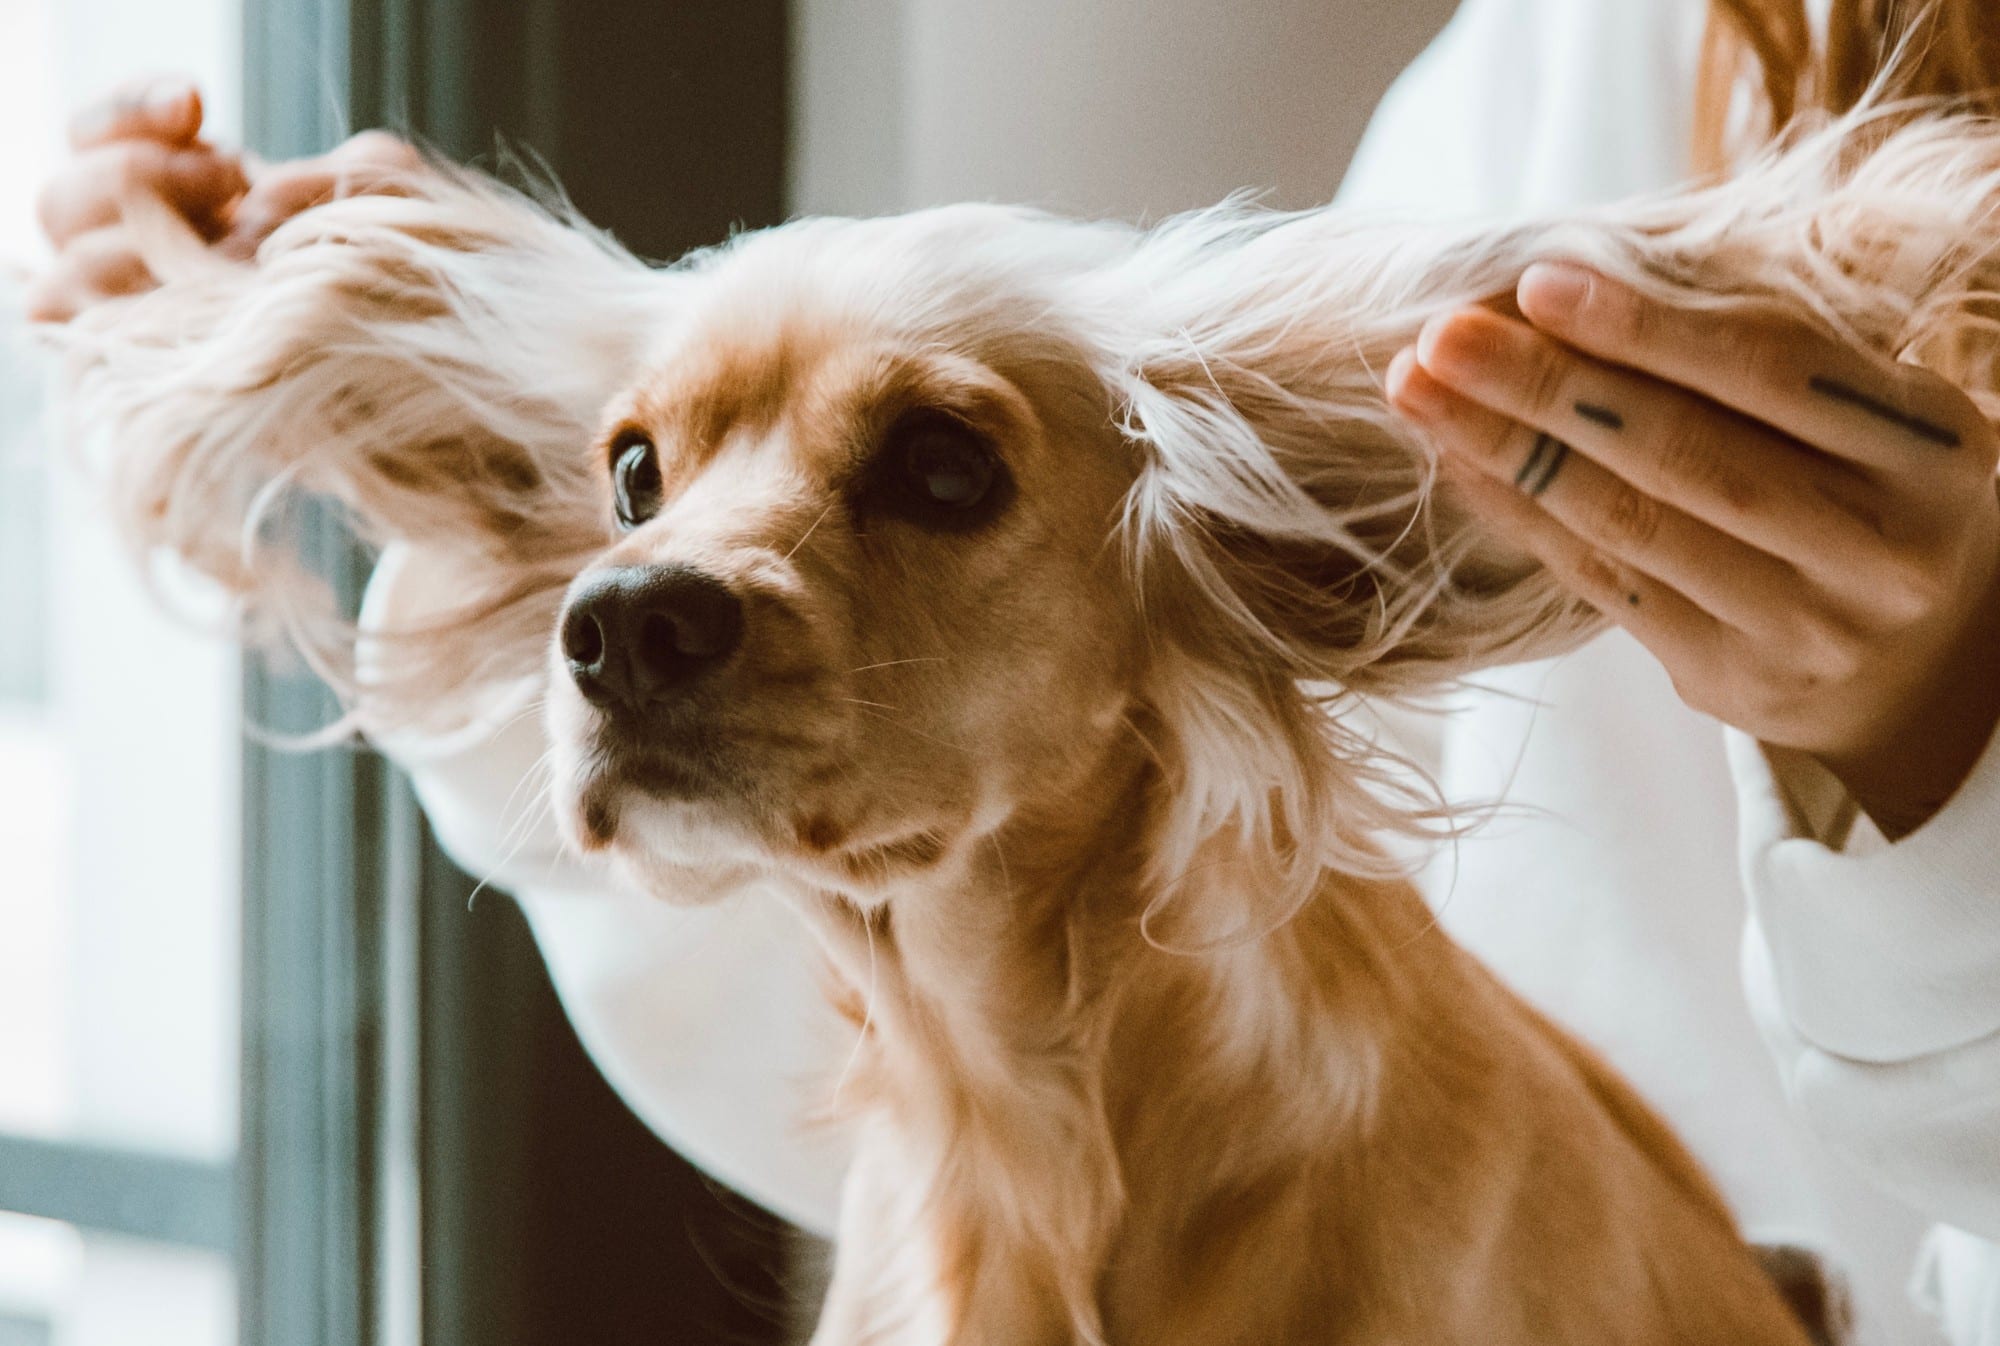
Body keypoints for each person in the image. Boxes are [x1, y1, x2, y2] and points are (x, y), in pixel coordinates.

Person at [29, 0, 2000, 1341]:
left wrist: (1941, 748)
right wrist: (379, 402)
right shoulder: (1570, 55)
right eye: (637, 477)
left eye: (941, 462)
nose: (637, 585)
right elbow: (947, 939)